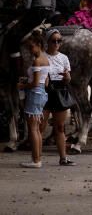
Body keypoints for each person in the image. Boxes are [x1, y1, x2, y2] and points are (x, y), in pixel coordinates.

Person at [42, 29, 74, 166]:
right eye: (53, 41)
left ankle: (63, 157)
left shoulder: (64, 58)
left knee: (60, 127)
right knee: (40, 127)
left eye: (59, 41)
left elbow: (68, 79)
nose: (56, 44)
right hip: (45, 91)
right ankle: (37, 157)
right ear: (47, 42)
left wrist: (67, 78)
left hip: (59, 90)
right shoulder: (42, 57)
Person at [18, 32, 49, 168]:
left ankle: (36, 160)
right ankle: (37, 157)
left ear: (39, 45)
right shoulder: (46, 60)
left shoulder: (37, 60)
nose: (30, 50)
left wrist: (23, 85)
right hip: (41, 93)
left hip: (35, 93)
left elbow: (36, 83)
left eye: (31, 47)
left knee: (33, 129)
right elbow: (45, 81)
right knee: (36, 129)